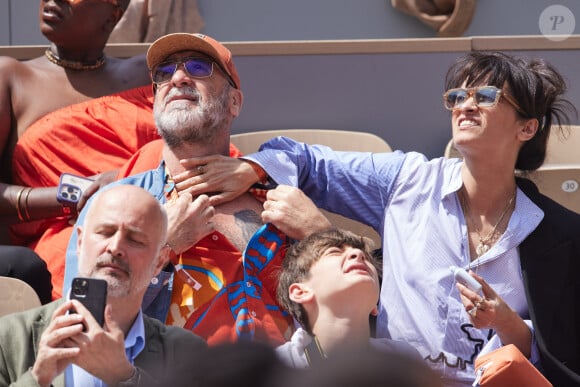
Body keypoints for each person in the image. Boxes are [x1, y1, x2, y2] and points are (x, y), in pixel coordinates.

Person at [179, 51, 580, 385]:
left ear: (527, 127)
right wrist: (252, 169)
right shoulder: (406, 180)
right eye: (457, 96)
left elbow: (562, 354)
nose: (466, 105)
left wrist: (509, 323)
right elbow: (304, 159)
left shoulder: (561, 233)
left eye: (487, 96)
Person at [64, 32, 329, 346]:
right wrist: (161, 247)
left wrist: (320, 235)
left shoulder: (282, 198)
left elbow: (356, 304)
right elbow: (84, 322)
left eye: (198, 67)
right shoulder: (111, 207)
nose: (177, 77)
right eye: (164, 72)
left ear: (234, 102)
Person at [0, 0, 157, 299]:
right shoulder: (10, 78)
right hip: (66, 249)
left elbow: (186, 153)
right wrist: (79, 194)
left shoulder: (144, 74)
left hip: (157, 237)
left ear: (113, 14)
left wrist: (127, 179)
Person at [0, 184, 207, 386]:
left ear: (160, 262)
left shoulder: (186, 353)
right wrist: (37, 379)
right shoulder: (8, 337)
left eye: (135, 239)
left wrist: (125, 376)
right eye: (105, 232)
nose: (115, 247)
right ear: (80, 243)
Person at [275, 228, 419, 368]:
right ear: (301, 292)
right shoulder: (278, 369)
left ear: (375, 306)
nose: (358, 254)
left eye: (367, 258)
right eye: (335, 252)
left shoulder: (405, 361)